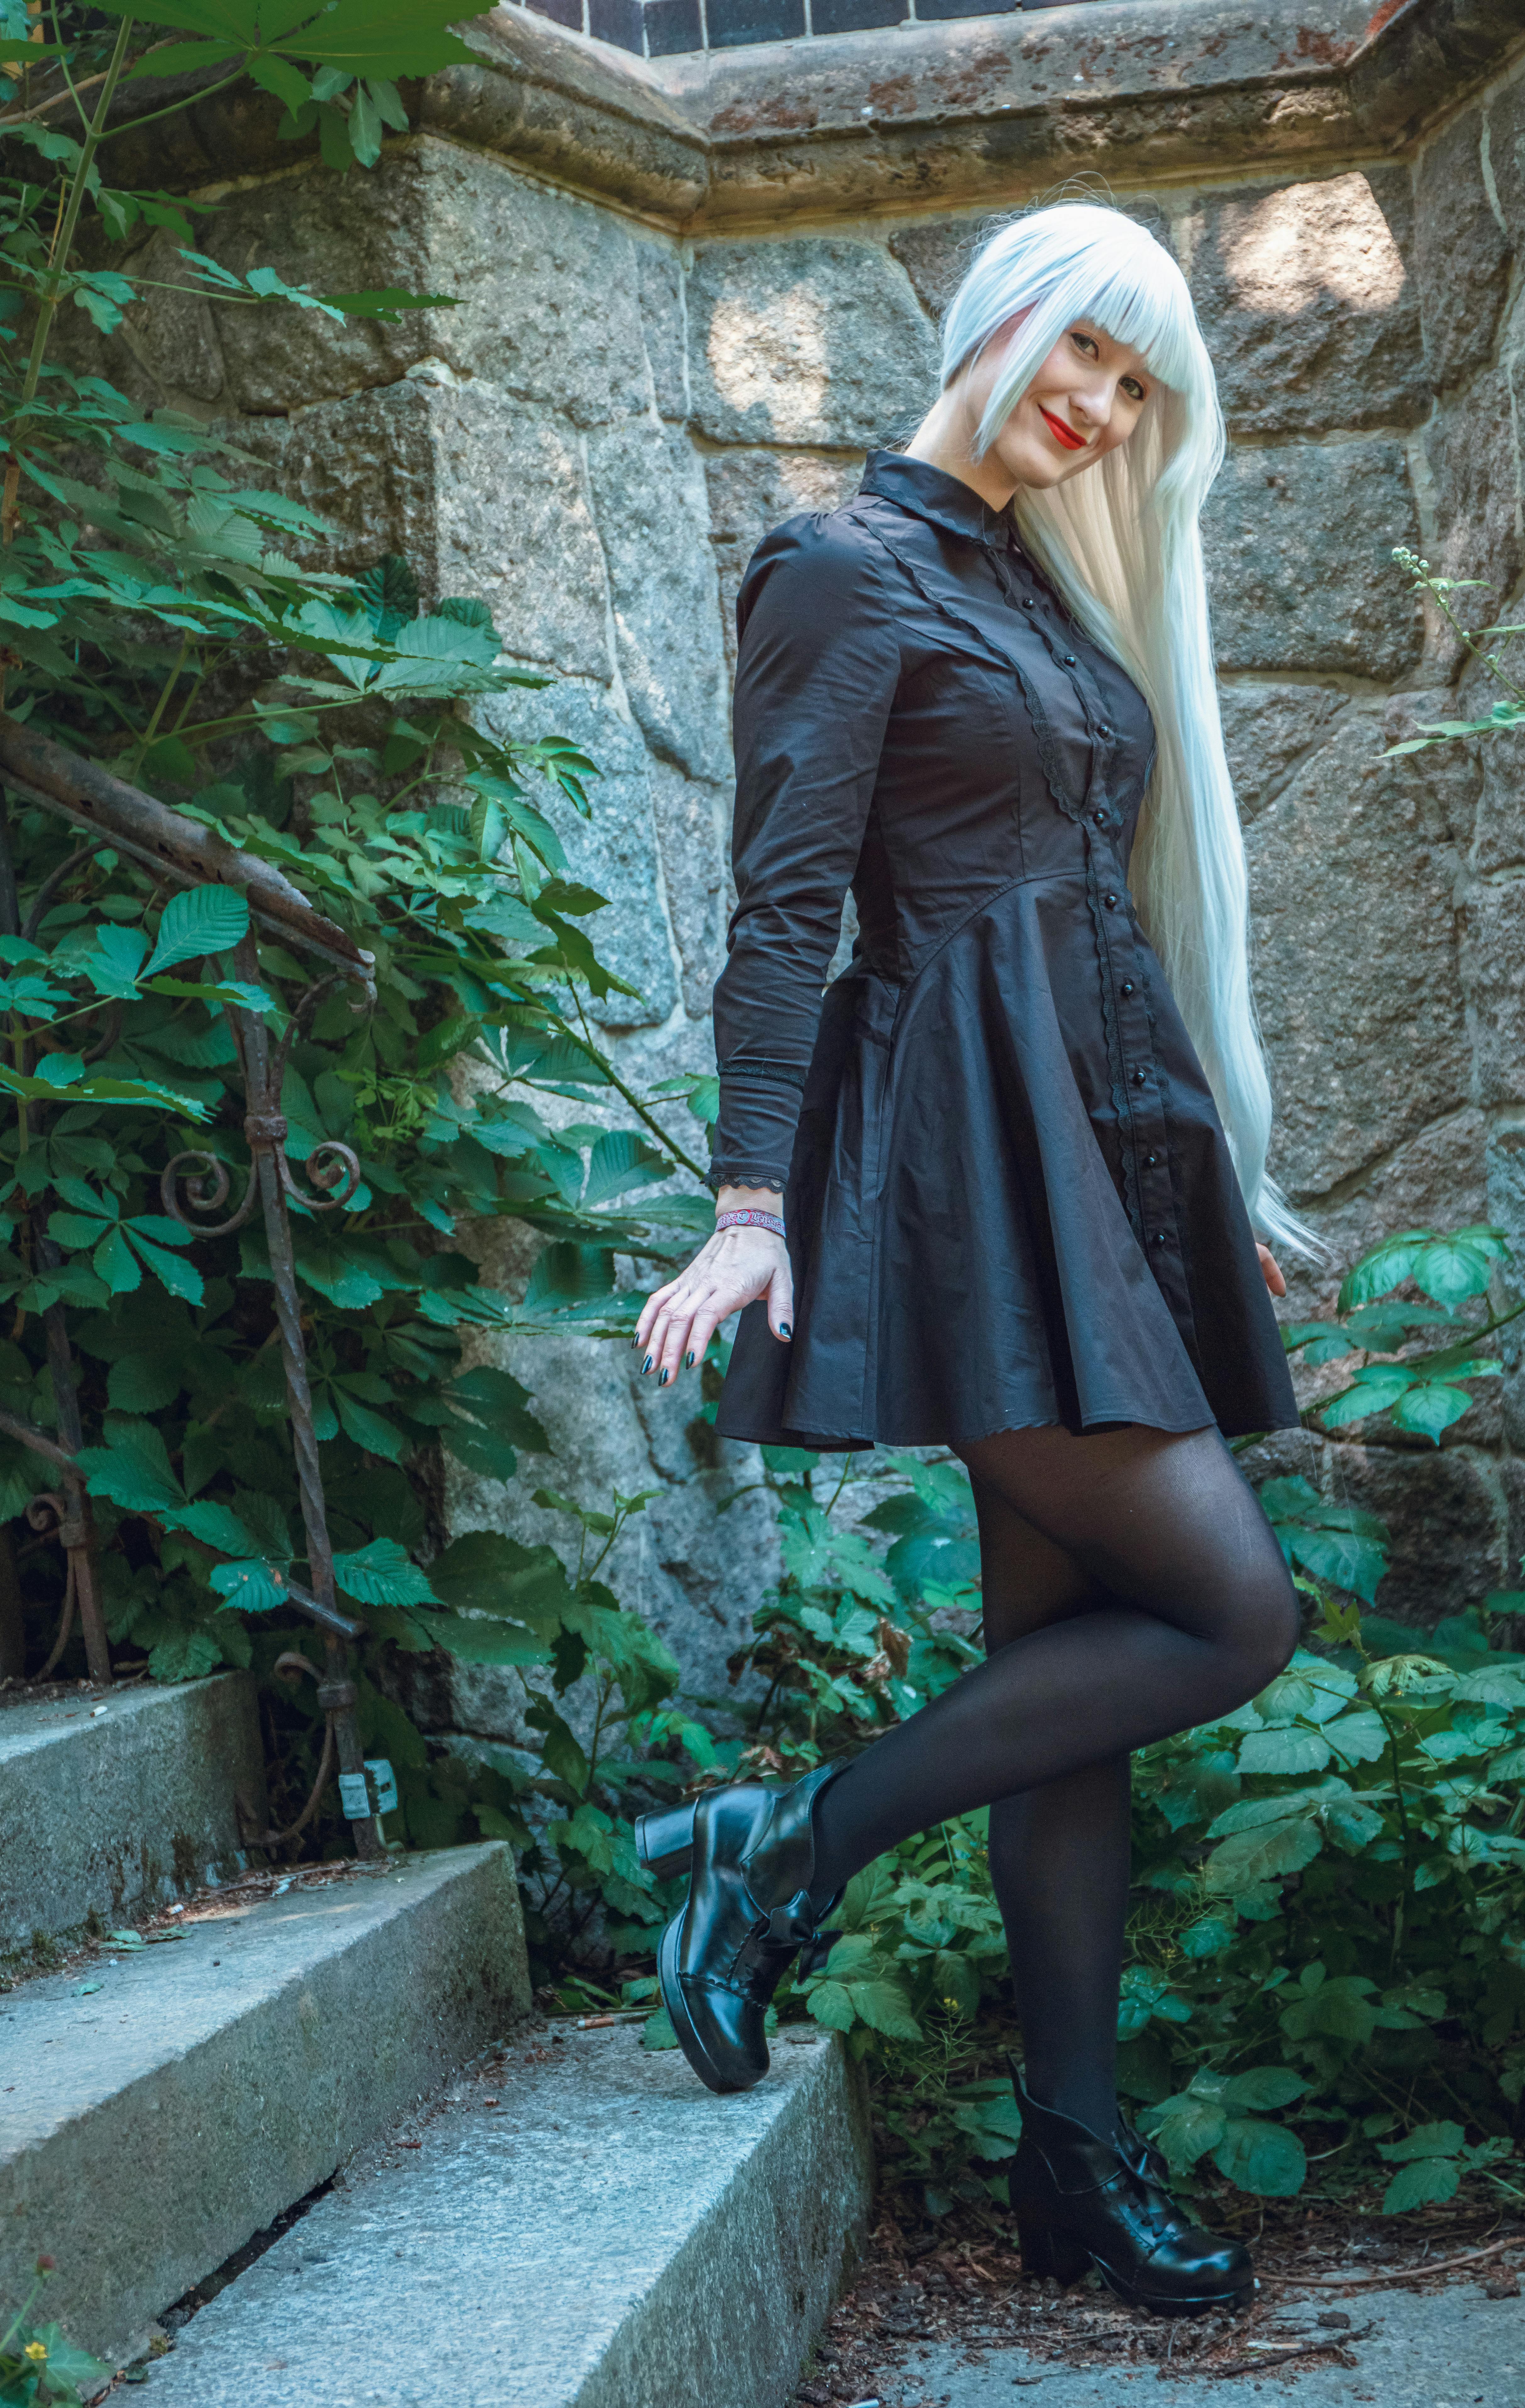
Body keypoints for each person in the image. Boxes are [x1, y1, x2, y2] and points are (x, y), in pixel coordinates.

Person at [630, 202, 1305, 2317]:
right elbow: (787, 908)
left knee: (1068, 1698)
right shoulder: (838, 569)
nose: (1094, 406)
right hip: (960, 1173)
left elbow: (1102, 921)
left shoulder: (1025, 576)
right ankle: (790, 1837)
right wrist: (750, 1209)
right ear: (993, 319)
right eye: (1078, 355)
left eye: (1133, 387)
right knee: (1229, 1614)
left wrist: (1216, 1198)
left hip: (1095, 1163)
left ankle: (1071, 2172)